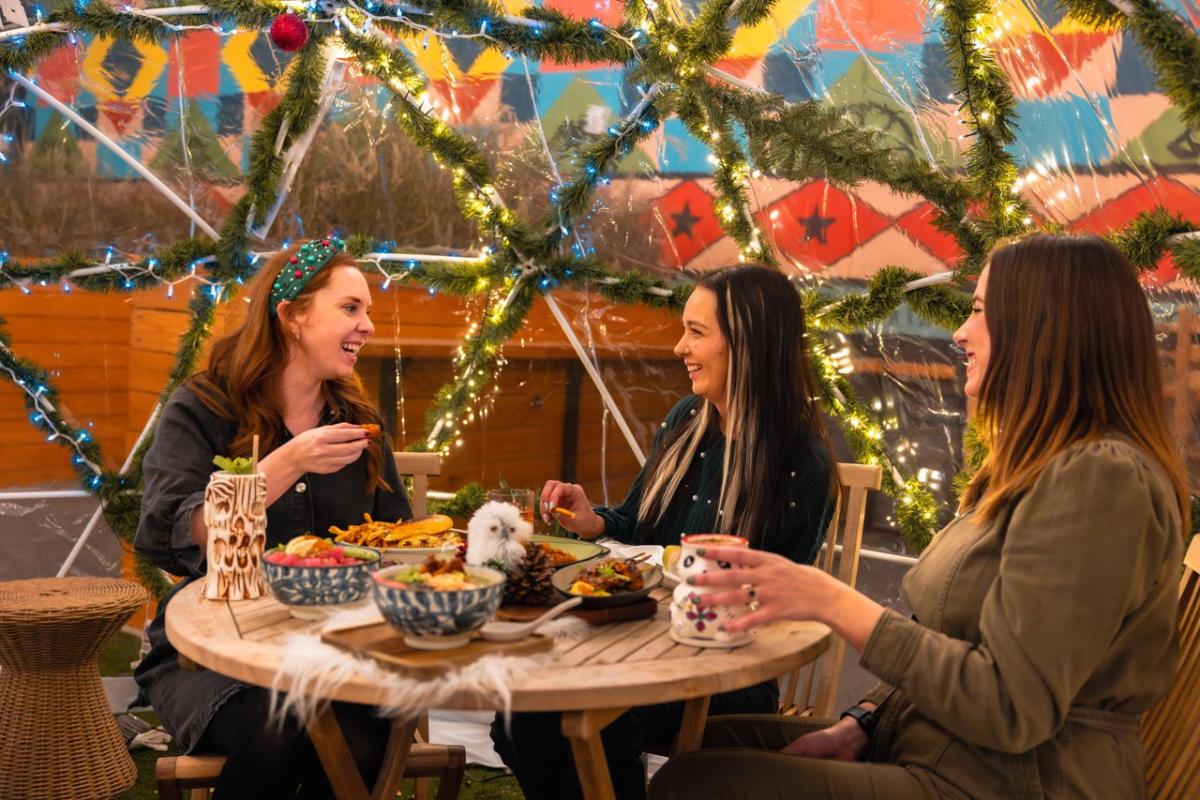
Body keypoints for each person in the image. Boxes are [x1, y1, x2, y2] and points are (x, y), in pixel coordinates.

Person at [650, 233, 1190, 799]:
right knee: (710, 744)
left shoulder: (1101, 480)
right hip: (936, 748)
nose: (959, 332)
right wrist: (861, 722)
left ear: (1043, 326)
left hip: (1015, 781)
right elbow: (951, 639)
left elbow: (1009, 706)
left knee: (695, 781)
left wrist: (831, 600)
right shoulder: (1032, 470)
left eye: (979, 310)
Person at [490, 264, 839, 800]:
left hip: (721, 676)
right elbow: (639, 526)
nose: (680, 347)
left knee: (576, 711)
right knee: (521, 712)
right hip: (636, 642)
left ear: (749, 344)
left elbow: (774, 607)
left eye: (697, 332)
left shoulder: (800, 466)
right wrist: (596, 521)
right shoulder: (686, 421)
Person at [134, 237, 412, 798]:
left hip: (338, 649)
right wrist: (285, 464)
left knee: (361, 740)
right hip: (218, 652)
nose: (368, 326)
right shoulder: (206, 406)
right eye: (350, 308)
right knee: (278, 731)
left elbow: (397, 539)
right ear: (291, 316)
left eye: (368, 311)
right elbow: (167, 530)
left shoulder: (356, 418)